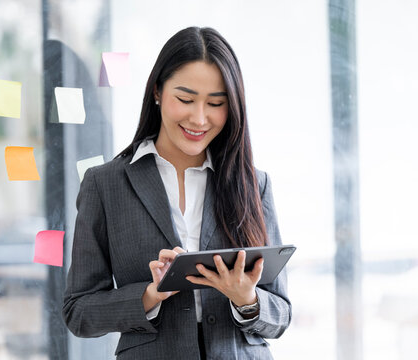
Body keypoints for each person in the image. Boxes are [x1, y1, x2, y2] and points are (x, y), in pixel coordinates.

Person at [62, 26, 291, 359]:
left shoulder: (253, 184)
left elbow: (281, 313)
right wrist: (149, 295)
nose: (199, 118)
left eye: (216, 103)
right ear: (157, 91)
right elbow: (78, 312)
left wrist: (246, 299)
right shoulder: (105, 184)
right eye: (185, 99)